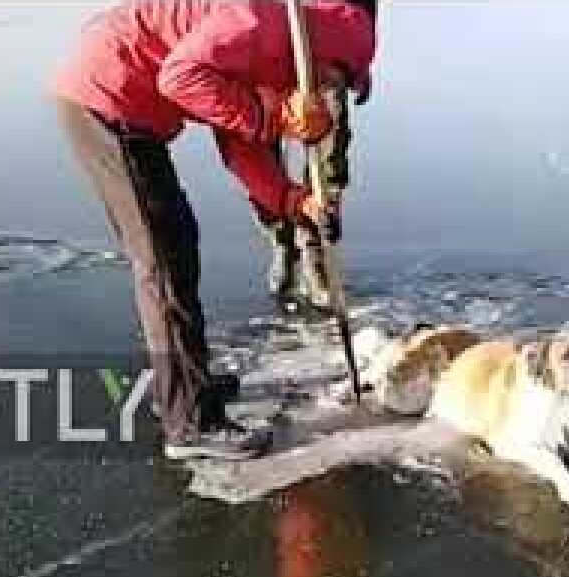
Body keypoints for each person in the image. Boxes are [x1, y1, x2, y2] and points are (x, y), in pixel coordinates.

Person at [54, 0, 377, 461]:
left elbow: (237, 136)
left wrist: (292, 200)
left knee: (178, 246)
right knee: (164, 259)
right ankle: (188, 422)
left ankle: (187, 384)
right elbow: (180, 78)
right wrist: (277, 115)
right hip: (106, 97)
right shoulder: (259, 18)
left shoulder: (284, 50)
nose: (329, 94)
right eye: (330, 81)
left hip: (128, 105)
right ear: (321, 45)